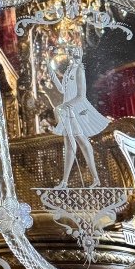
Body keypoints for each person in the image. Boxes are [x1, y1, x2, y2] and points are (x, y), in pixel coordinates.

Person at [48, 45, 110, 188]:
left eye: (77, 52)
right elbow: (62, 89)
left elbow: (81, 96)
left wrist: (63, 107)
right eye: (73, 52)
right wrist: (51, 72)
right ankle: (65, 182)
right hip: (68, 110)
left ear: (80, 54)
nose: (74, 53)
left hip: (76, 109)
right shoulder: (70, 70)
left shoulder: (79, 70)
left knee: (79, 141)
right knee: (71, 143)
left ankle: (94, 178)